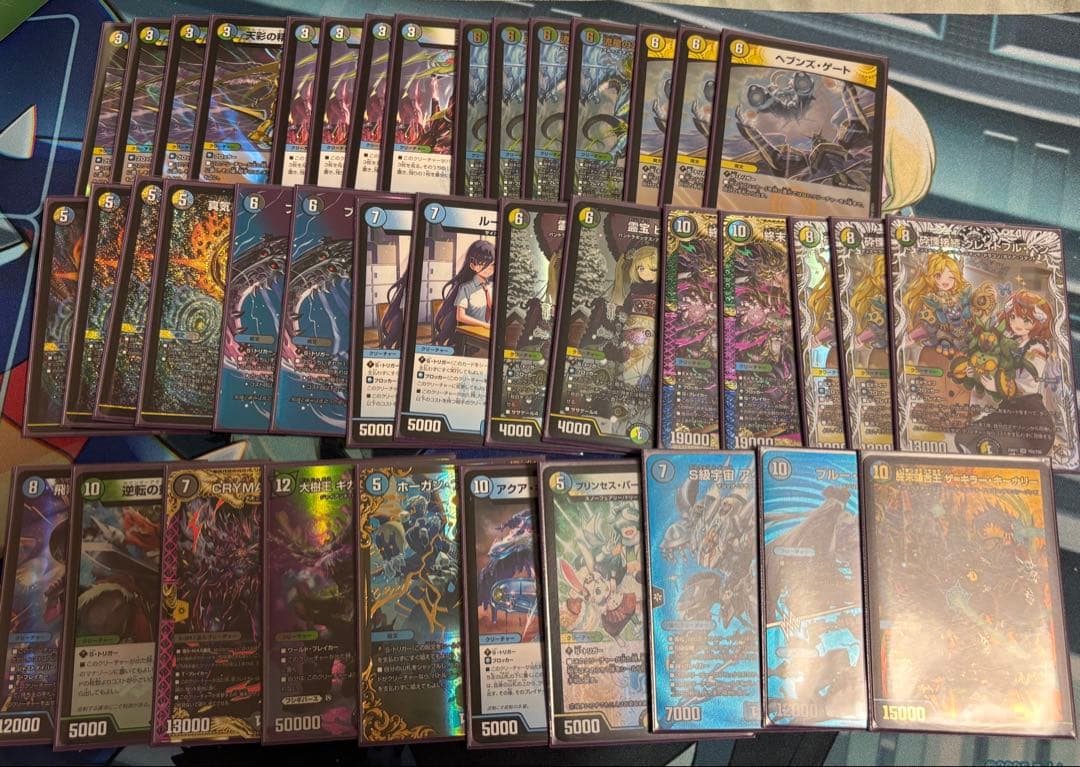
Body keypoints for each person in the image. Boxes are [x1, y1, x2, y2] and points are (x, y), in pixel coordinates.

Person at [432, 240, 496, 354]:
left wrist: (487, 291)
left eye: (491, 265)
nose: (488, 269)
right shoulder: (465, 288)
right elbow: (460, 316)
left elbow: (491, 308)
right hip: (467, 334)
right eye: (482, 264)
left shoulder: (488, 287)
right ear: (472, 265)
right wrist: (485, 325)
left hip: (481, 333)